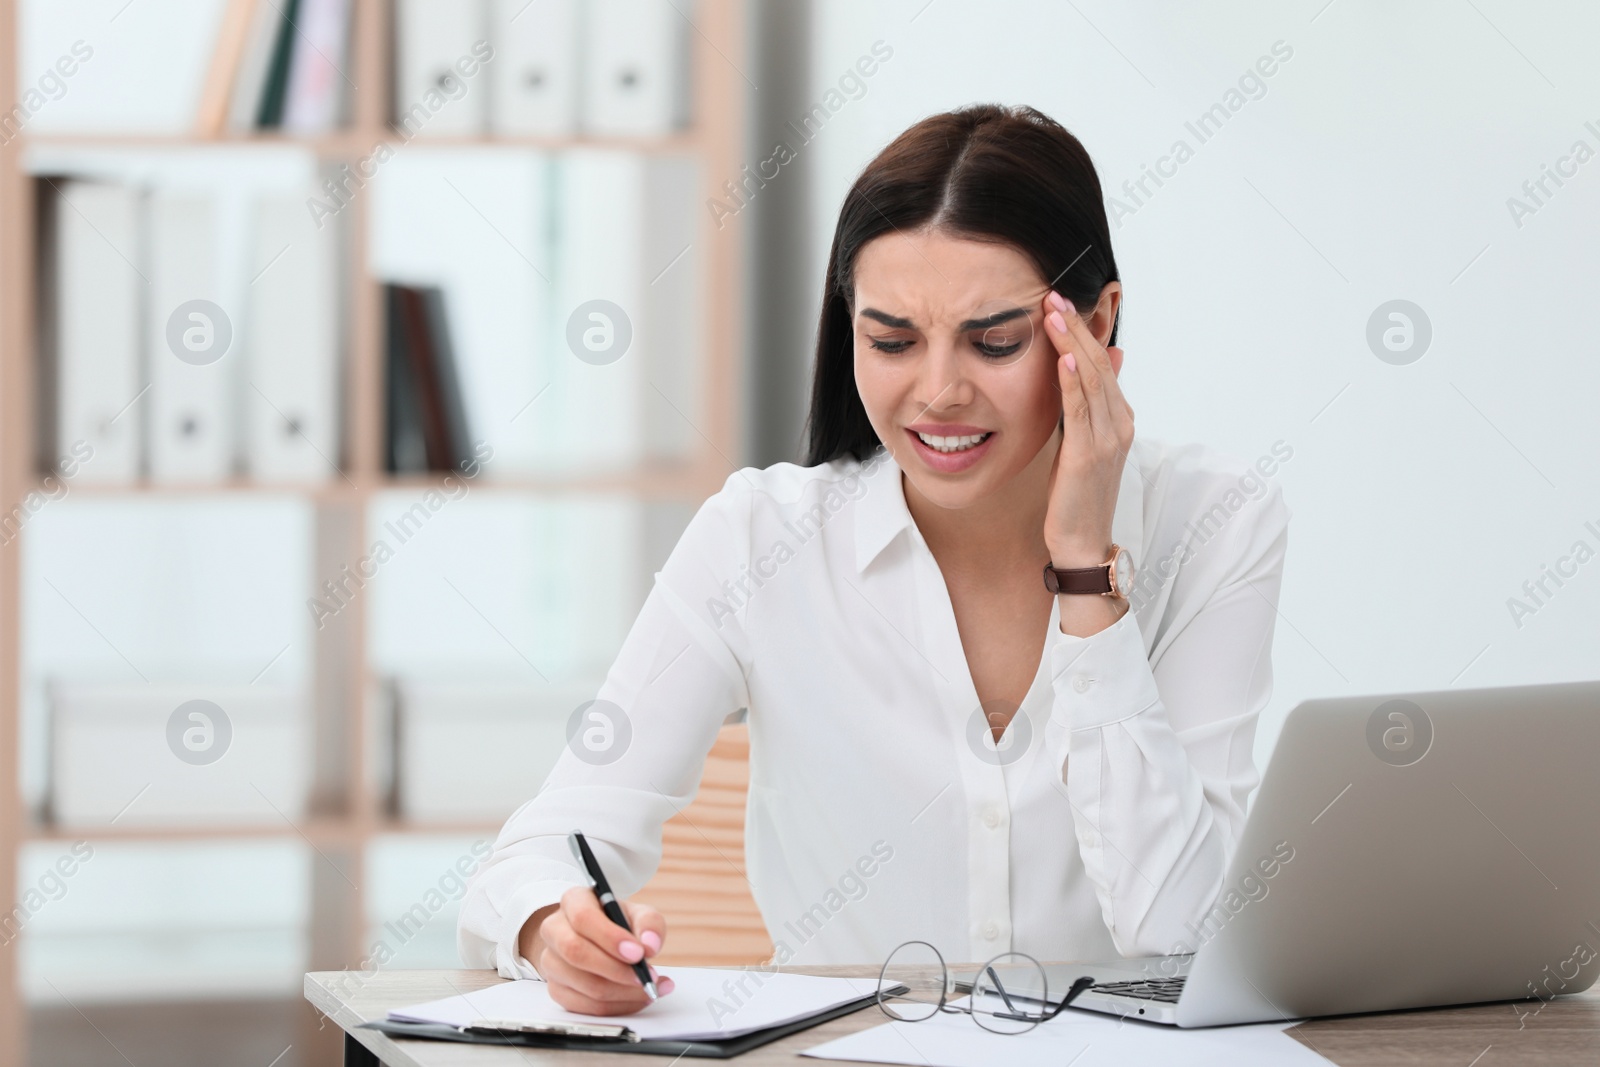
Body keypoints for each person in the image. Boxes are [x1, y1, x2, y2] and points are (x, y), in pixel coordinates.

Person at [458, 103, 1292, 1016]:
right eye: (892, 340)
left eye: (996, 340)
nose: (939, 392)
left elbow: (1182, 934)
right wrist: (553, 927)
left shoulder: (1216, 523)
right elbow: (544, 849)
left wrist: (1086, 569)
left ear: (1097, 320)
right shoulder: (758, 539)